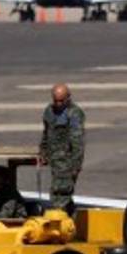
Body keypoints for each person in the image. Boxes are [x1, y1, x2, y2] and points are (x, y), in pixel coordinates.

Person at [38, 83, 85, 213]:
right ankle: (71, 219)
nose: (58, 104)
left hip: (67, 161)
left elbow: (78, 142)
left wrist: (76, 165)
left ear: (68, 98)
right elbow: (46, 133)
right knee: (62, 194)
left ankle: (59, 222)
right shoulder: (49, 111)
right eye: (56, 101)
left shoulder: (74, 114)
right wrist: (43, 152)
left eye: (61, 101)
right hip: (54, 160)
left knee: (60, 194)